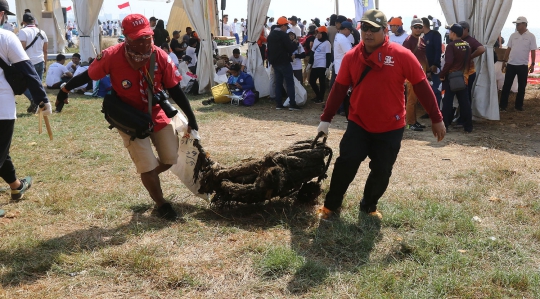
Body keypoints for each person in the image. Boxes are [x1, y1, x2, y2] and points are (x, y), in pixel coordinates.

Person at [55, 14, 198, 221]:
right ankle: (162, 203)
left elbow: (175, 89)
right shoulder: (112, 56)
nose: (145, 42)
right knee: (147, 165)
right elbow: (89, 75)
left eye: (147, 37)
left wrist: (191, 117)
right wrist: (64, 90)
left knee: (169, 158)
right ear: (127, 38)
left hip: (157, 114)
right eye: (139, 38)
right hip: (130, 118)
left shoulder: (160, 56)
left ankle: (148, 177)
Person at [316, 9, 445, 221]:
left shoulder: (402, 55)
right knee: (345, 164)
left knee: (382, 171)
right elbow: (339, 89)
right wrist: (325, 119)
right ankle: (331, 205)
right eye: (365, 28)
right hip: (358, 123)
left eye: (374, 29)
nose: (368, 33)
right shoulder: (351, 57)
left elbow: (422, 86)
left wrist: (437, 118)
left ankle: (369, 206)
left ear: (385, 31)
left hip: (390, 127)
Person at [0, 0, 52, 217]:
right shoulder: (6, 37)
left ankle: (16, 185)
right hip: (1, 107)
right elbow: (28, 70)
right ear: (1, 14)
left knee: (2, 150)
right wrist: (42, 100)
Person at [499, 16, 537, 112]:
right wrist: (504, 61)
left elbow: (533, 51)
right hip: (511, 64)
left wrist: (532, 64)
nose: (516, 25)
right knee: (506, 85)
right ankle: (502, 106)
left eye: (518, 24)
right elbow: (508, 49)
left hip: (523, 65)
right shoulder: (513, 35)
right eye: (516, 24)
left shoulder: (531, 36)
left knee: (522, 86)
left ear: (524, 24)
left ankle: (518, 106)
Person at [440, 24, 472, 133]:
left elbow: (448, 62)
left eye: (450, 32)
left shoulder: (451, 46)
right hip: (463, 77)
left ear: (453, 33)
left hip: (450, 78)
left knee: (447, 102)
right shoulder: (467, 45)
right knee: (465, 103)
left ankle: (445, 125)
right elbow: (468, 62)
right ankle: (468, 127)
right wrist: (465, 75)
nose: (449, 34)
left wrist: (442, 74)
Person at [267, 16, 301, 110]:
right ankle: (292, 104)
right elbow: (290, 48)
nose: (287, 27)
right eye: (286, 25)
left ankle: (279, 104)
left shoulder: (271, 35)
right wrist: (295, 43)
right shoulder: (283, 35)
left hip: (275, 63)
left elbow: (269, 50)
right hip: (285, 62)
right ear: (282, 26)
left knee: (278, 83)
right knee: (290, 83)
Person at [455, 21, 485, 125]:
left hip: (468, 73)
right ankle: (462, 117)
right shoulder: (458, 39)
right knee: (461, 96)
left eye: (461, 28)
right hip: (459, 73)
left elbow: (481, 49)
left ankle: (465, 119)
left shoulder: (470, 40)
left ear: (466, 29)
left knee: (465, 97)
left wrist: (470, 57)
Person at [402, 18, 429, 131]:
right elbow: (403, 58)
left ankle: (414, 121)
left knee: (416, 99)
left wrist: (428, 70)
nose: (418, 29)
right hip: (412, 74)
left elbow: (424, 57)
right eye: (415, 27)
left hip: (421, 73)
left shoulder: (421, 40)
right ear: (411, 28)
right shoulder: (408, 41)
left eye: (419, 27)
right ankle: (409, 123)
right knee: (412, 99)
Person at [18, 12, 48, 113]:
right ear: (34, 21)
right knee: (38, 85)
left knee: (21, 85)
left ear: (23, 22)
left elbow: (22, 49)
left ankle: (34, 100)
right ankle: (37, 102)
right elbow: (45, 50)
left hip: (28, 62)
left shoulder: (23, 32)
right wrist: (45, 63)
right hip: (40, 61)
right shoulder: (42, 32)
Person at [422, 17, 442, 109]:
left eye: (419, 26)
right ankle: (430, 110)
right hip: (425, 69)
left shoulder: (435, 34)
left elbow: (438, 50)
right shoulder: (422, 37)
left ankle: (438, 110)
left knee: (436, 90)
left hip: (435, 68)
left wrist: (435, 64)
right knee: (428, 91)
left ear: (423, 25)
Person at [309, 26, 332, 104]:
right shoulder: (315, 40)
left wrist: (327, 67)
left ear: (324, 34)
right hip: (315, 64)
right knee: (311, 81)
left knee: (322, 82)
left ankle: (321, 98)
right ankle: (318, 95)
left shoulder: (327, 43)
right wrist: (309, 63)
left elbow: (328, 55)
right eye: (317, 33)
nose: (318, 35)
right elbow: (312, 53)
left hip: (322, 65)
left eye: (320, 33)